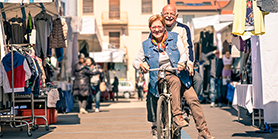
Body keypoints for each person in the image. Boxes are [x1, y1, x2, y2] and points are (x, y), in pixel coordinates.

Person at [133, 14, 214, 139]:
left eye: (159, 26)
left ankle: (203, 130)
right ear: (150, 29)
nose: (157, 29)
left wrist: (182, 62)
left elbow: (183, 54)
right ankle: (177, 115)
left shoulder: (175, 38)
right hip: (160, 76)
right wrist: (141, 64)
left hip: (180, 73)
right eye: (153, 27)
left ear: (164, 27)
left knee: (193, 99)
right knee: (173, 80)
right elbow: (135, 62)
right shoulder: (146, 45)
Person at [161, 4, 203, 97]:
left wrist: (189, 63)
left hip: (181, 65)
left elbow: (189, 47)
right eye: (166, 13)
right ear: (161, 15)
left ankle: (190, 105)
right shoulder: (157, 28)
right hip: (163, 67)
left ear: (176, 16)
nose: (168, 16)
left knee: (198, 80)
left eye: (171, 14)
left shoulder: (183, 28)